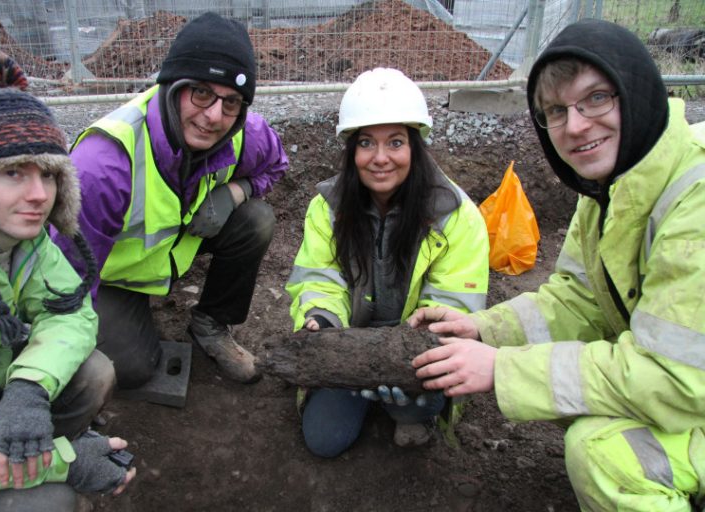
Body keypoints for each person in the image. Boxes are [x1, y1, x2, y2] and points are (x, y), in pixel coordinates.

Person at [410, 19, 705, 511]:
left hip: (686, 388)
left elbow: (672, 378)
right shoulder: (610, 190)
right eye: (556, 110)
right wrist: (483, 329)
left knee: (603, 454)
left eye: (596, 98)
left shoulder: (694, 201)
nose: (575, 126)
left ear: (635, 91)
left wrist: (503, 369)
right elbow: (578, 300)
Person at [0, 53, 135, 510]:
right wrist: (65, 462)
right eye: (13, 173)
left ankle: (26, 444)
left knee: (94, 371)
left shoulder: (17, 235)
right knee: (51, 500)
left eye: (48, 174)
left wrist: (27, 389)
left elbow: (72, 313)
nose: (40, 195)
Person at [51, 12, 289, 388]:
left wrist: (234, 192)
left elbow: (276, 166)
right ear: (173, 85)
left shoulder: (246, 133)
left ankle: (210, 325)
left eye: (231, 103)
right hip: (110, 276)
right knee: (130, 369)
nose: (214, 116)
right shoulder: (104, 164)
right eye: (202, 93)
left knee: (255, 220)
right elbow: (64, 276)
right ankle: (122, 319)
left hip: (175, 247)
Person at [285, 68, 489, 457]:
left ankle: (414, 412)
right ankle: (371, 397)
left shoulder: (455, 215)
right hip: (348, 343)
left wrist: (400, 359)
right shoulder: (327, 208)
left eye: (395, 142)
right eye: (366, 143)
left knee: (414, 402)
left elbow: (452, 310)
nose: (380, 158)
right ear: (351, 150)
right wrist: (323, 326)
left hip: (414, 353)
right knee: (324, 441)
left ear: (415, 146)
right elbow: (319, 278)